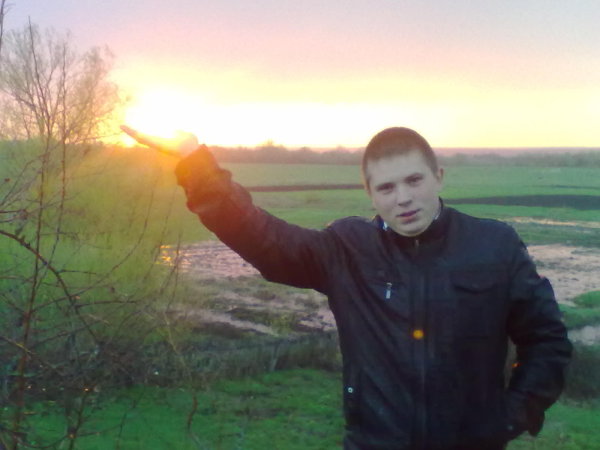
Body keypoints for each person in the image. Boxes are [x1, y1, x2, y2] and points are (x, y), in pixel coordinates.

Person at [123, 125, 572, 450]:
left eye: (414, 180)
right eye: (387, 187)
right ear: (370, 193)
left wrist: (511, 416)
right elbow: (263, 237)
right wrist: (195, 164)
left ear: (438, 176)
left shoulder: (494, 244)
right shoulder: (347, 249)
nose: (403, 198)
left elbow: (546, 339)